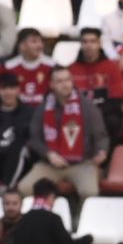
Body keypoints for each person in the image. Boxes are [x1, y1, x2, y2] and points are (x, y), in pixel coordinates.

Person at [19, 67, 111, 197]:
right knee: (24, 188)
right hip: (50, 164)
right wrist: (48, 154)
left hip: (82, 163)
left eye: (68, 80)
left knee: (89, 192)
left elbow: (101, 136)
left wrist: (102, 151)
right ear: (51, 84)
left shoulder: (87, 106)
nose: (65, 84)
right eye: (60, 81)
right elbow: (34, 138)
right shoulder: (43, 107)